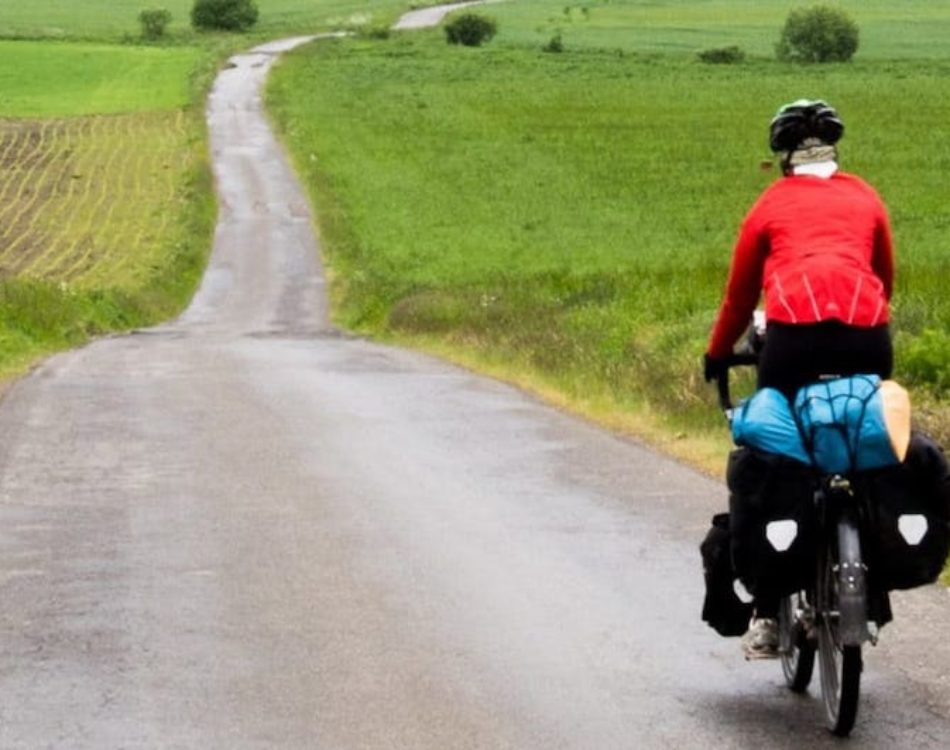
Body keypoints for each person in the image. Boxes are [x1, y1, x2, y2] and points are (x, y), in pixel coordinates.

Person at [703, 99, 896, 659]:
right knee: (862, 440)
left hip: (791, 342)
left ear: (784, 158)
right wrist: (864, 323)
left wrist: (718, 353)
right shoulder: (865, 197)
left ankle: (766, 612)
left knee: (776, 451)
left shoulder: (770, 205)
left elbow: (740, 298)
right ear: (833, 151)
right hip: (867, 337)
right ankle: (875, 592)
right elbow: (883, 278)